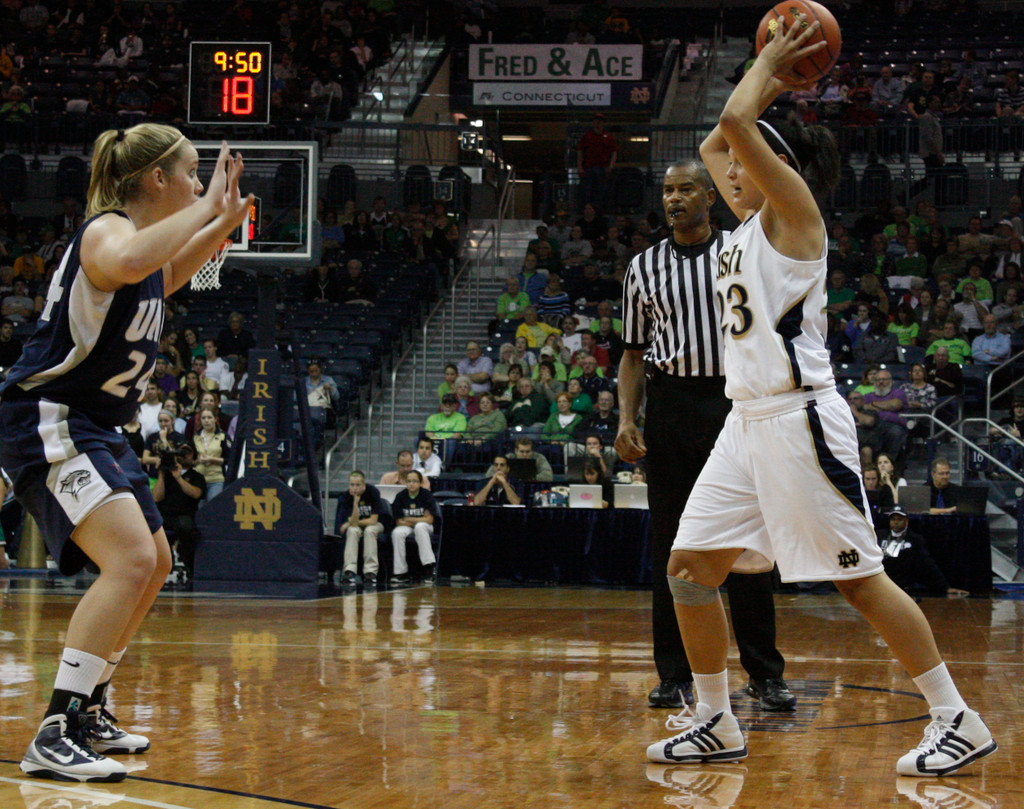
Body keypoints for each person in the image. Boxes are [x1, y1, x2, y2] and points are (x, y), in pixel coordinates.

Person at [647, 24, 995, 776]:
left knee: (858, 578)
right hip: (746, 422)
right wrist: (770, 80)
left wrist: (768, 68)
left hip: (801, 418)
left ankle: (955, 716)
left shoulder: (795, 217)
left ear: (778, 167)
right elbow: (720, 137)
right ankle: (713, 718)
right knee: (687, 569)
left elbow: (735, 127)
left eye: (748, 161)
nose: (730, 166)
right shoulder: (741, 223)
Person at [0, 125, 250, 782]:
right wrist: (208, 208)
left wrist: (221, 218)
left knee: (158, 561)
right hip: (47, 416)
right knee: (132, 557)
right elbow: (135, 258)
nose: (198, 184)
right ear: (157, 180)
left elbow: (176, 266)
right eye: (193, 174)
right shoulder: (107, 235)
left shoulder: (146, 263)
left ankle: (89, 709)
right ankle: (55, 728)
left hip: (96, 425)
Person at [617, 161, 794, 714]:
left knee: (746, 542)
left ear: (710, 197)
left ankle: (764, 675)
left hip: (732, 399)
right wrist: (627, 417)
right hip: (669, 405)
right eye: (667, 189)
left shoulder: (738, 253)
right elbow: (631, 353)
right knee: (670, 544)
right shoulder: (642, 268)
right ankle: (674, 675)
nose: (674, 198)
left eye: (686, 188)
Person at [879, 506, 968, 596]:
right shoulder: (879, 536)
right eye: (893, 519)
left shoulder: (915, 539)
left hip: (904, 588)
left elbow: (928, 564)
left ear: (906, 521)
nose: (895, 522)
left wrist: (945, 587)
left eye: (899, 519)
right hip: (880, 584)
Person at [334, 471, 384, 588]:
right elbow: (353, 522)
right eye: (352, 485)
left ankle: (370, 572)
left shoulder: (373, 492)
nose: (354, 488)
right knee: (352, 531)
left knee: (369, 530)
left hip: (377, 524)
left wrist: (349, 523)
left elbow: (373, 520)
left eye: (357, 485)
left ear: (363, 484)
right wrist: (356, 503)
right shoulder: (347, 496)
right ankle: (349, 571)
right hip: (358, 525)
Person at [389, 470, 439, 585]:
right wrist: (417, 519)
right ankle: (400, 572)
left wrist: (410, 519)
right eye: (409, 481)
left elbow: (429, 520)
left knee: (420, 527)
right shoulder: (400, 496)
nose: (411, 484)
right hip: (408, 526)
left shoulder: (426, 495)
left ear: (420, 483)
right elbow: (399, 521)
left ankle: (429, 567)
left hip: (426, 527)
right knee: (397, 533)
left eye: (415, 481)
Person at [576, 113, 617, 213]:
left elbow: (614, 153)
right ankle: (587, 210)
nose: (598, 123)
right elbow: (580, 152)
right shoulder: (587, 136)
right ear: (593, 123)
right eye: (596, 121)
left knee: (600, 192)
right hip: (589, 168)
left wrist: (610, 166)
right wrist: (580, 167)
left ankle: (599, 211)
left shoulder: (608, 137)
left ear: (603, 123)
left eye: (600, 121)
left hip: (602, 169)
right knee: (587, 192)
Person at [192, 407, 228, 502]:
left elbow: (229, 459)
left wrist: (212, 459)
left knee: (212, 507)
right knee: (199, 510)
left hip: (216, 478)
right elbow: (190, 460)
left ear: (215, 419)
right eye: (203, 418)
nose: (206, 421)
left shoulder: (223, 436)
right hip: (198, 479)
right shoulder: (196, 437)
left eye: (209, 417)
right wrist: (198, 460)